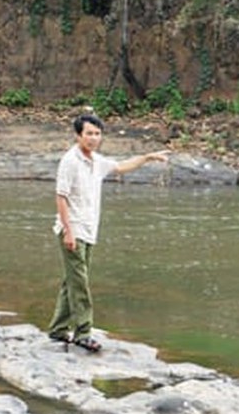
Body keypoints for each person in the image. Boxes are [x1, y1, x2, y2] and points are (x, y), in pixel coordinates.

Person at [48, 114, 169, 352]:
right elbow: (61, 196)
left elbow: (120, 167)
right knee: (80, 282)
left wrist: (146, 157)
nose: (94, 138)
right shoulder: (70, 161)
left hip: (89, 229)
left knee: (72, 280)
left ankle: (58, 328)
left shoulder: (95, 161)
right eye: (89, 134)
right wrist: (68, 232)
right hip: (73, 229)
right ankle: (83, 332)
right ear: (78, 135)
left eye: (97, 134)